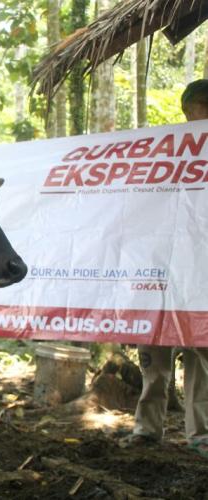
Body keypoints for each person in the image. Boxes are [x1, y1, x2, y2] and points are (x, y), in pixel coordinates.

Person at [121, 79, 208, 457]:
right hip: (157, 274)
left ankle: (201, 434)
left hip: (199, 276)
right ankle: (146, 430)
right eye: (201, 106)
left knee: (199, 358)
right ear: (188, 109)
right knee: (154, 360)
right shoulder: (165, 153)